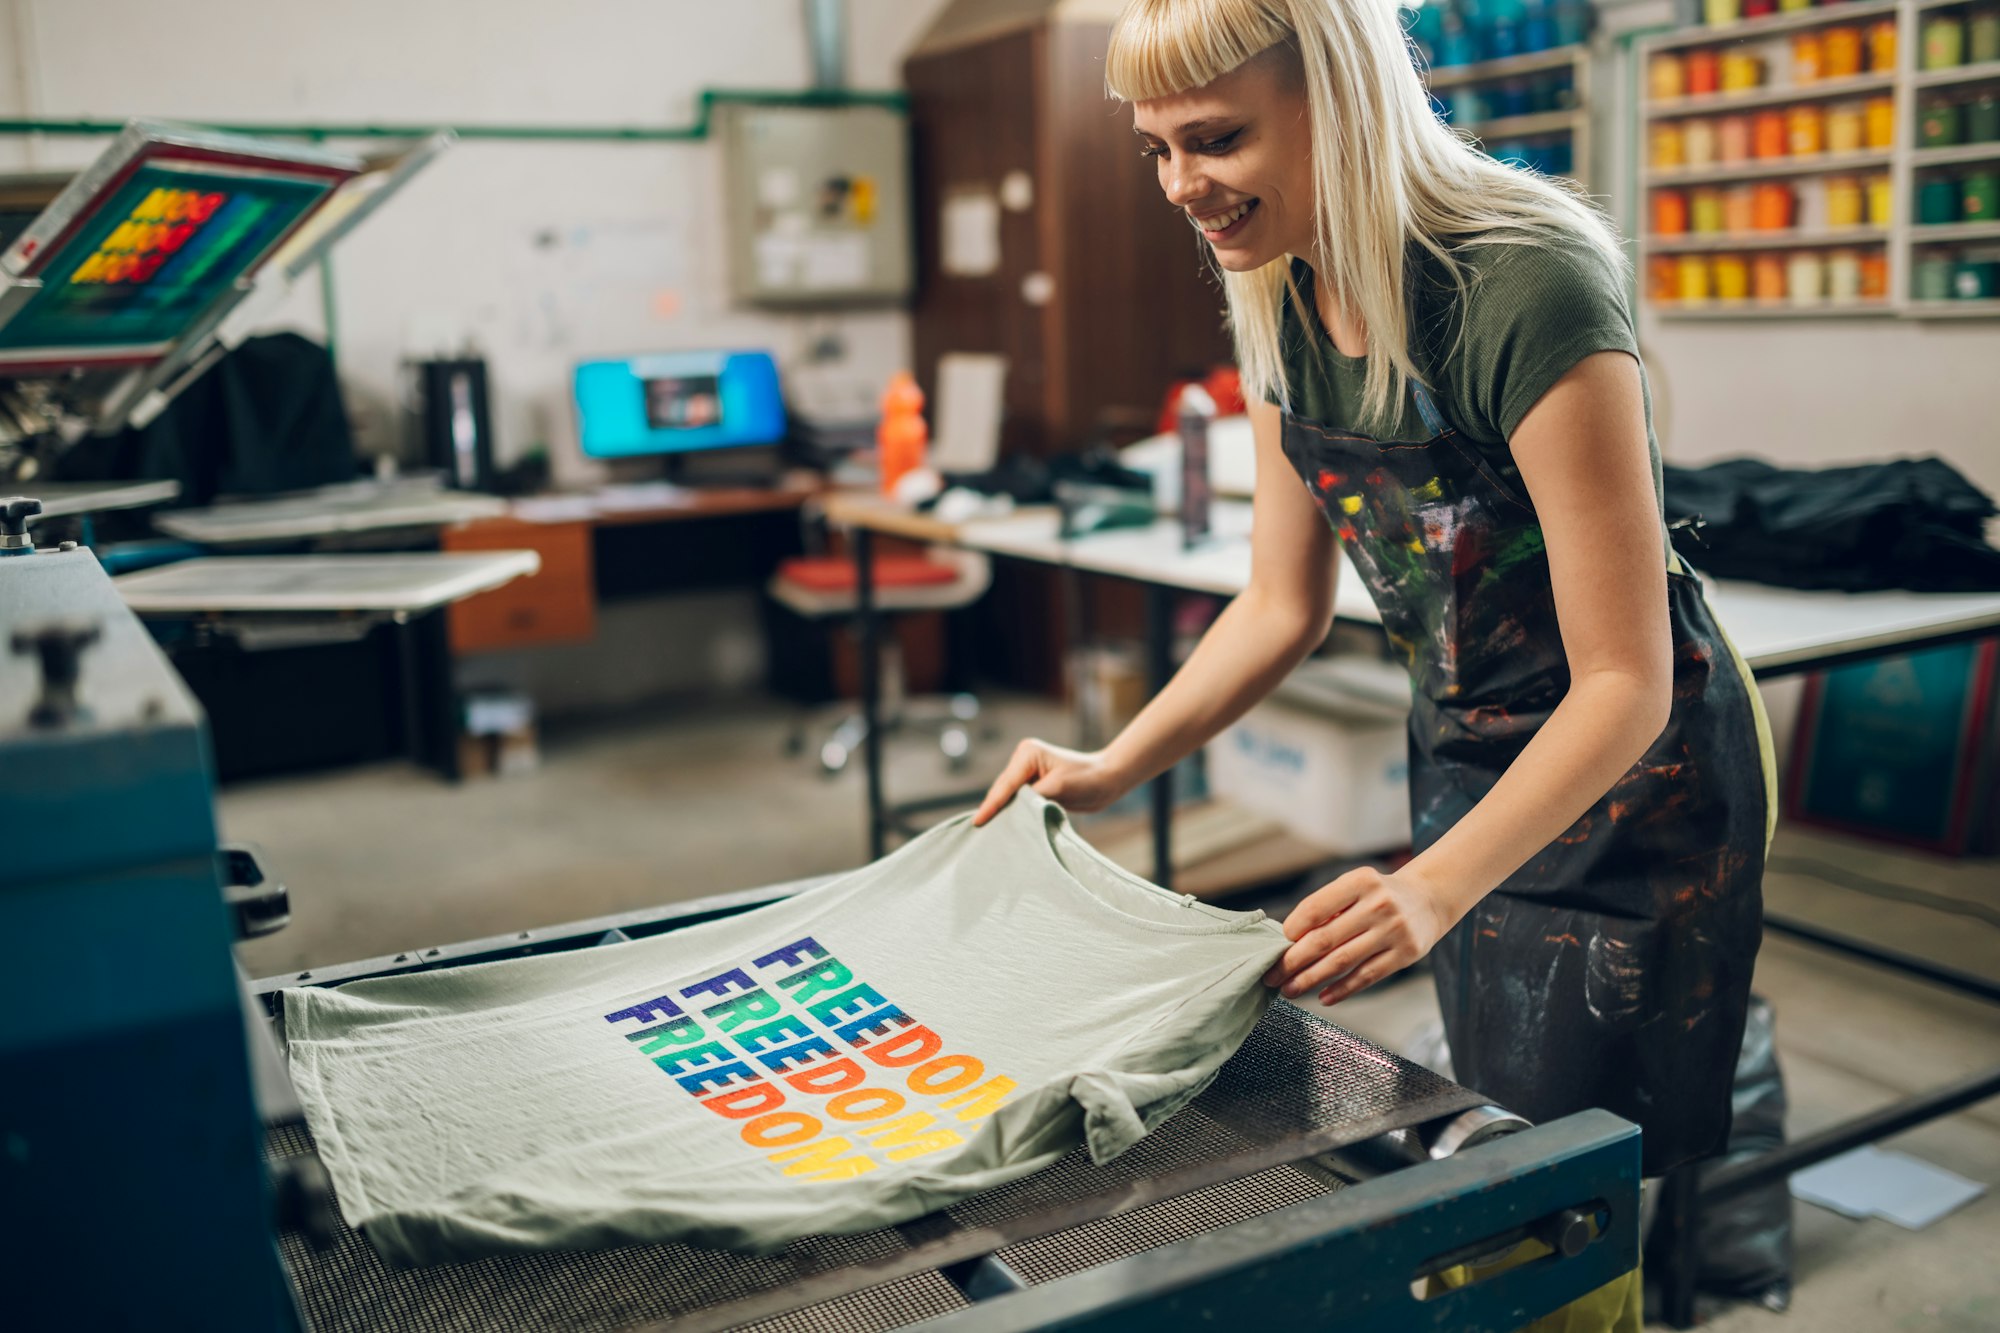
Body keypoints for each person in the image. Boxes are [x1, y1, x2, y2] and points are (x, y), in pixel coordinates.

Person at [973, 1, 1776, 1326]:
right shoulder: (1278, 290)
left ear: (1338, 95)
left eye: (1216, 138)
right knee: (1498, 1150)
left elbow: (1624, 677)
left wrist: (1429, 886)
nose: (1184, 186)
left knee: (1566, 1198)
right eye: (1157, 149)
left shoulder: (1524, 279)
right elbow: (1277, 604)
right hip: (1467, 757)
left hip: (1635, 778)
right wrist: (1116, 763)